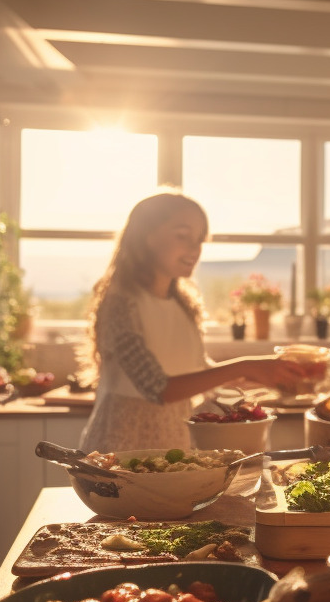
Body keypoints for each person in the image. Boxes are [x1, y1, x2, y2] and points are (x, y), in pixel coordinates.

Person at [78, 190, 312, 454]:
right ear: (146, 236)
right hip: (120, 450)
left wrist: (267, 376)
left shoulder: (182, 304)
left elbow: (198, 373)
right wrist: (246, 366)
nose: (194, 248)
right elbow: (159, 388)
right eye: (182, 236)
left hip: (175, 447)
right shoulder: (121, 302)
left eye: (200, 240)